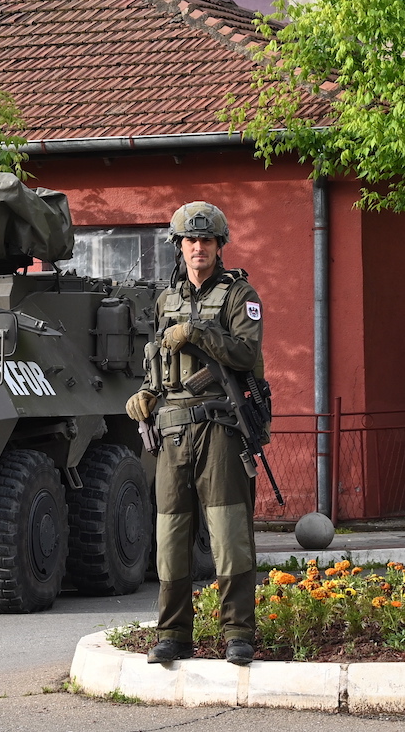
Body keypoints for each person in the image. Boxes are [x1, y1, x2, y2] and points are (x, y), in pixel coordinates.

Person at [125, 201, 264, 667]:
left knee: (228, 535)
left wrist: (198, 332)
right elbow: (157, 364)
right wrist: (143, 396)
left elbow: (245, 354)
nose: (198, 248)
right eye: (190, 241)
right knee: (171, 535)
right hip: (171, 432)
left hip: (220, 428)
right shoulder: (166, 299)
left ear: (219, 246)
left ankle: (238, 633)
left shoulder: (238, 295)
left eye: (206, 240)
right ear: (179, 247)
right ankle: (172, 634)